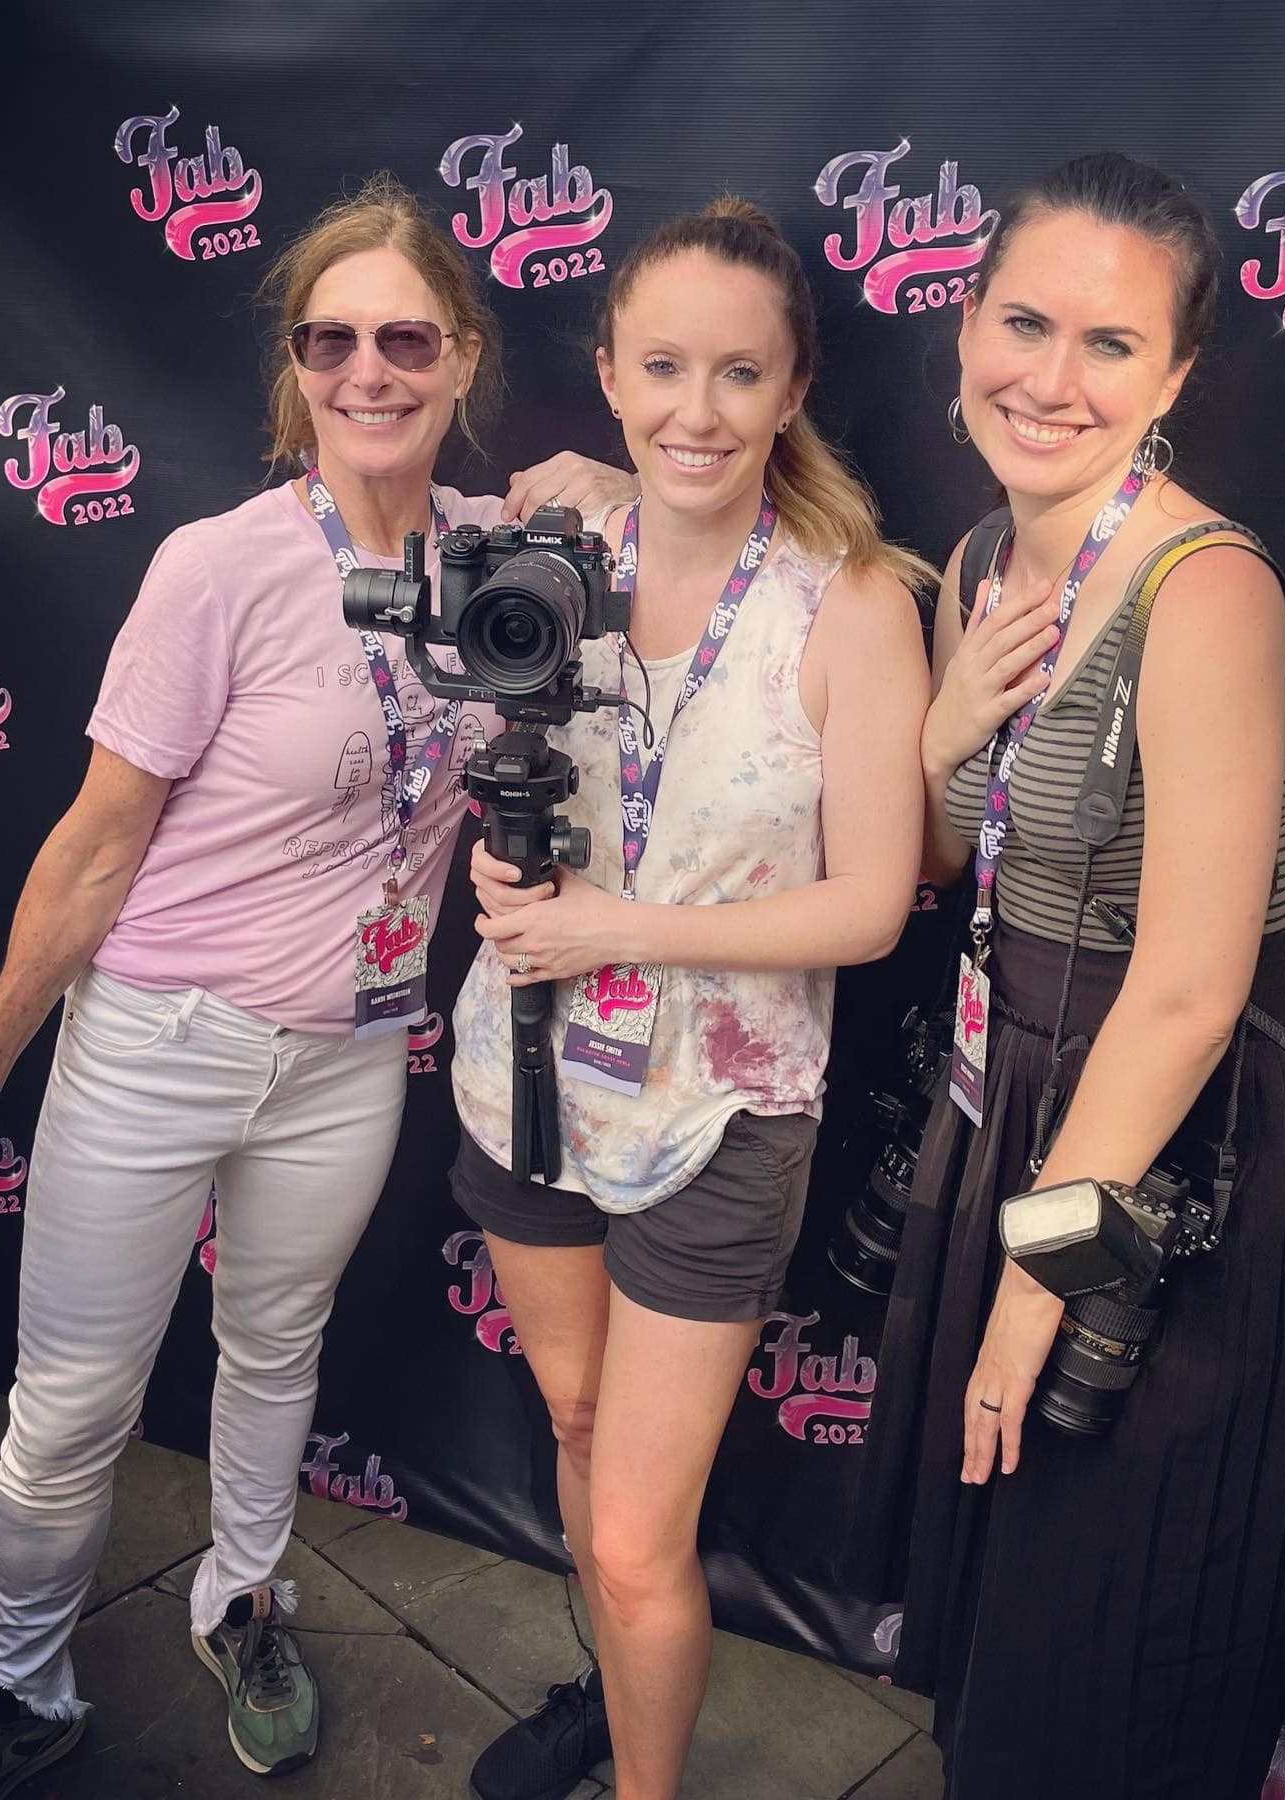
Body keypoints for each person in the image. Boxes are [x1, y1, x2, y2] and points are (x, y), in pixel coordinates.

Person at [0, 171, 633, 1793]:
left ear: (465, 356)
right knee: (74, 1403)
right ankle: (20, 1677)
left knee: (273, 1353)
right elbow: (96, 844)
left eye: (407, 338)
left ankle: (243, 1601)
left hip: (350, 1056)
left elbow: (730, 569)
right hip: (162, 1038)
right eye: (333, 340)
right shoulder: (219, 566)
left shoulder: (511, 556)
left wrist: (619, 485)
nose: (368, 372)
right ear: (297, 366)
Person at [853, 152, 1285, 1799]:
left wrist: (1034, 1278)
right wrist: (941, 732)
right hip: (1014, 1097)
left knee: (1114, 1635)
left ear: (1178, 377)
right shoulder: (979, 559)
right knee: (1012, 1624)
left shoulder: (1205, 590)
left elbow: (1192, 992)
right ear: (963, 324)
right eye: (1024, 323)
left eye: (1111, 344)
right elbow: (947, 864)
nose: (1051, 380)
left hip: (1178, 1149)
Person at [447, 197, 932, 1800]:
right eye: (662, 367)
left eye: (739, 372)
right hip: (525, 1072)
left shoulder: (852, 604)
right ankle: (609, 1695)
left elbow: (872, 905)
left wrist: (618, 928)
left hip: (717, 1114)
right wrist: (508, 875)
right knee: (581, 1431)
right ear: (607, 373)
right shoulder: (549, 557)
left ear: (793, 388)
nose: (696, 411)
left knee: (641, 1538)